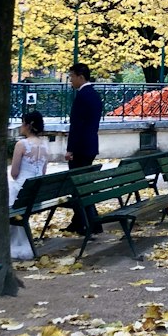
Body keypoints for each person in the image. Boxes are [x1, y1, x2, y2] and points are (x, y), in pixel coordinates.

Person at [66, 63, 103, 233]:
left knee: (79, 187)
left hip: (80, 148)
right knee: (84, 186)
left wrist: (70, 149)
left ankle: (90, 224)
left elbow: (77, 126)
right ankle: (80, 221)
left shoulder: (82, 96)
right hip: (90, 145)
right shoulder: (94, 95)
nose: (70, 80)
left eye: (72, 77)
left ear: (81, 77)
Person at [8, 110, 49, 259]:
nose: (21, 126)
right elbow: (43, 172)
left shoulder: (22, 144)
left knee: (9, 189)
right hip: (36, 193)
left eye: (22, 123)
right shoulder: (45, 146)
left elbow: (14, 173)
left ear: (28, 125)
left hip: (22, 191)